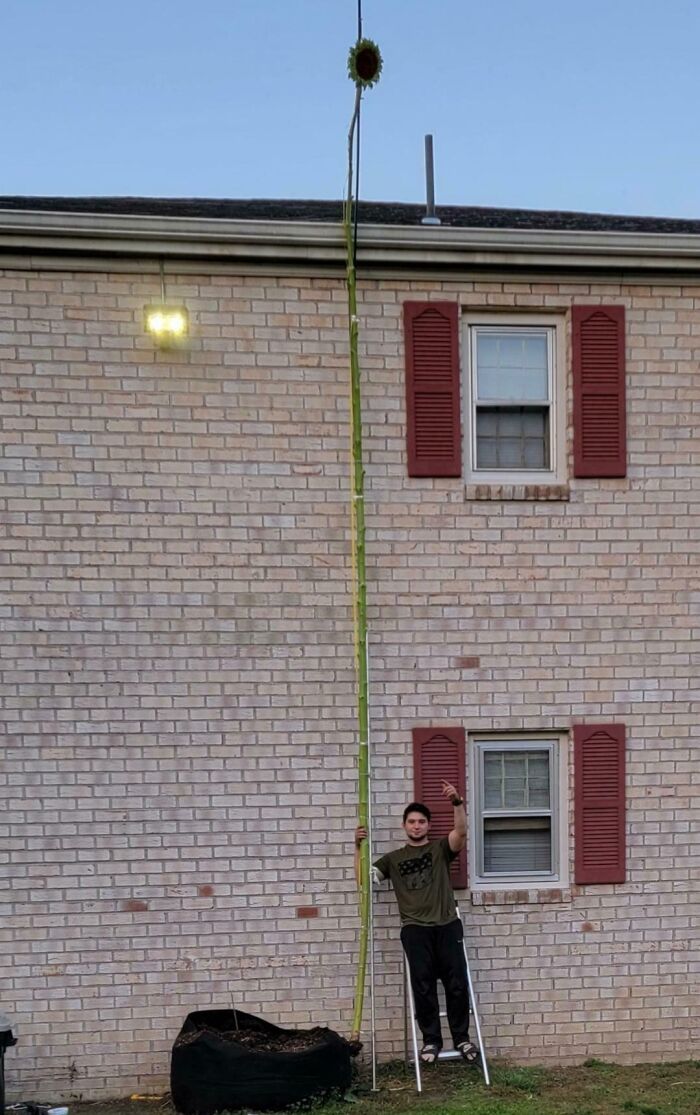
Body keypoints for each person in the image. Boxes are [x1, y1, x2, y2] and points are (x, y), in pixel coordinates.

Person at [354, 780, 477, 1065]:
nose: (417, 826)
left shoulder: (439, 850)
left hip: (447, 924)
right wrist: (356, 847)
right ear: (404, 825)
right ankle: (431, 1041)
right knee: (423, 986)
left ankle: (462, 1038)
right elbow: (363, 879)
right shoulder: (393, 860)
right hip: (414, 929)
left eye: (422, 821)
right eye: (412, 821)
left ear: (428, 826)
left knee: (456, 984)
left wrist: (457, 802)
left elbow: (461, 831)